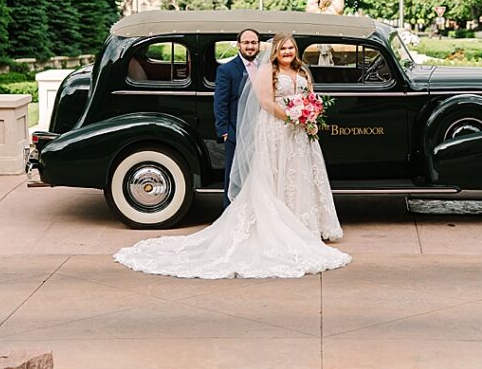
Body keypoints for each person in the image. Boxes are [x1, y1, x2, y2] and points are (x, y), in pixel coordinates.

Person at [113, 32, 350, 279]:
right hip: (279, 129)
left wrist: (311, 114)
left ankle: (304, 226)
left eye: (291, 48)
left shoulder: (303, 72)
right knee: (277, 174)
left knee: (299, 176)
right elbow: (266, 103)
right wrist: (294, 117)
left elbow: (310, 95)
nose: (288, 52)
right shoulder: (268, 71)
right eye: (283, 49)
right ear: (275, 52)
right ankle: (280, 228)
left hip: (300, 134)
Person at [214, 28, 261, 208]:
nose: (250, 46)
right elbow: (220, 102)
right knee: (234, 176)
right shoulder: (227, 70)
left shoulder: (265, 67)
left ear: (258, 45)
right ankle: (230, 214)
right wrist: (224, 132)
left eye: (253, 43)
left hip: (260, 130)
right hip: (236, 131)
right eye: (246, 43)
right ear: (238, 45)